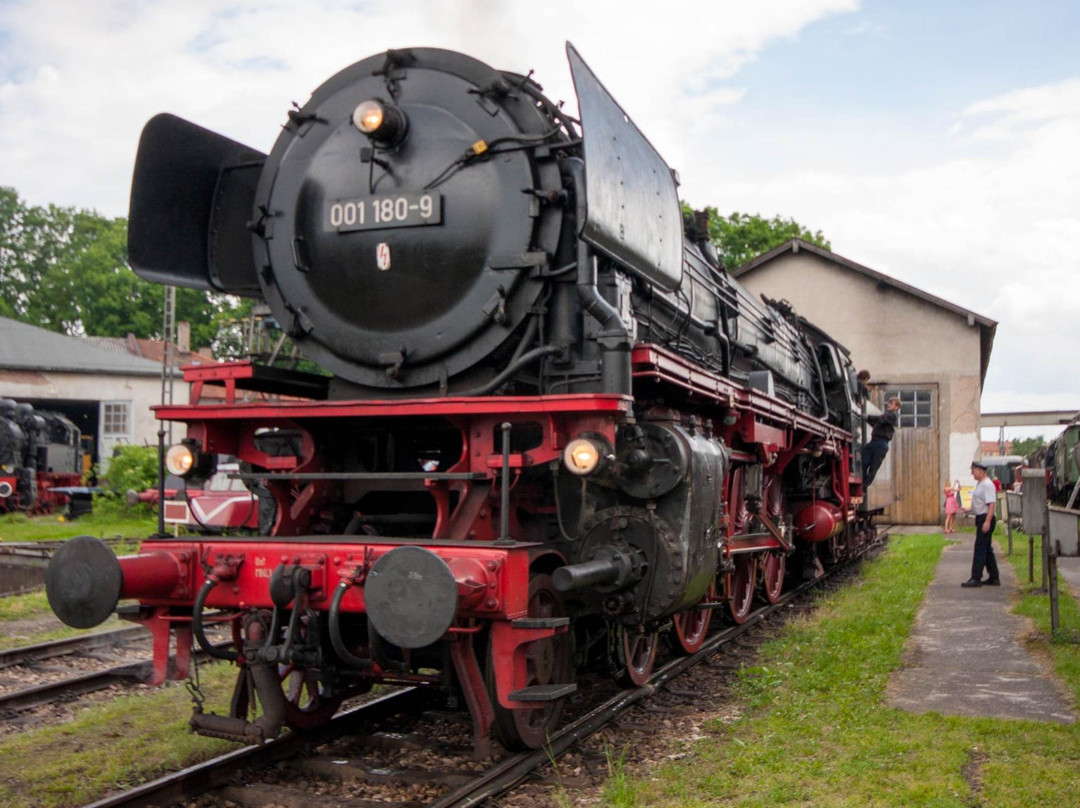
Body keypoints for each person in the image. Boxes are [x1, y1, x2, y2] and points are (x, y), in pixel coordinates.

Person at [962, 460, 1000, 587]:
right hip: (982, 516)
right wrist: (969, 509)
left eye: (973, 470)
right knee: (987, 548)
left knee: (980, 547)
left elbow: (991, 505)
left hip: (985, 518)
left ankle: (976, 577)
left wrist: (987, 521)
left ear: (980, 471)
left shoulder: (987, 485)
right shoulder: (981, 484)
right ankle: (994, 577)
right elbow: (981, 503)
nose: (972, 473)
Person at [861, 396, 901, 487]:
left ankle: (864, 485)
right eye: (889, 403)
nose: (889, 405)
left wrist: (867, 417)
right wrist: (868, 419)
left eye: (891, 403)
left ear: (897, 407)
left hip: (881, 443)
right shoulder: (886, 417)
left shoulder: (892, 415)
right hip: (875, 441)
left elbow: (880, 419)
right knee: (864, 461)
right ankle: (862, 483)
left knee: (873, 468)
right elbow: (877, 422)